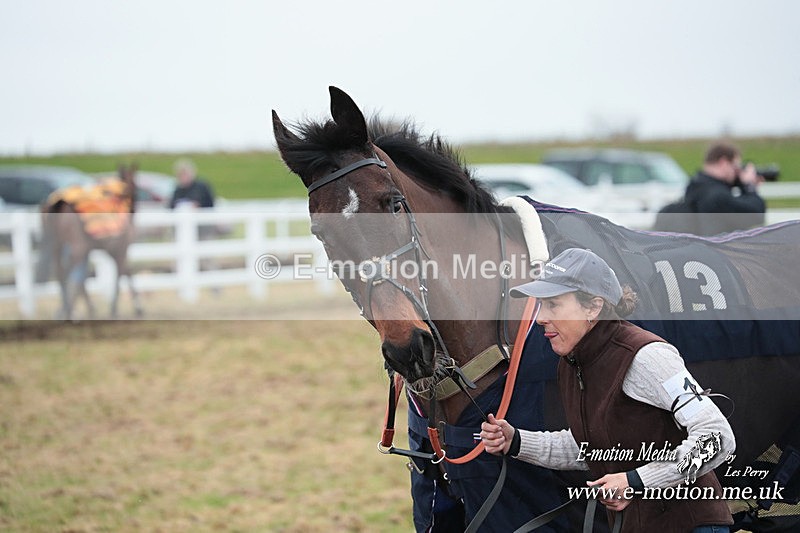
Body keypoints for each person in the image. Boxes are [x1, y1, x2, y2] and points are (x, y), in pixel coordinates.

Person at [479, 248, 735, 533]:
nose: (540, 318)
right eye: (540, 305)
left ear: (593, 307)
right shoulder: (571, 363)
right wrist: (516, 442)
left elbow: (716, 436)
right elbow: (593, 446)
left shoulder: (648, 357)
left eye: (553, 304)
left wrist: (636, 482)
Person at [683, 142, 765, 235]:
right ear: (724, 163)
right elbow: (756, 214)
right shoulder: (718, 196)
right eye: (736, 168)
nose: (737, 173)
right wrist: (749, 186)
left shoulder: (695, 186)